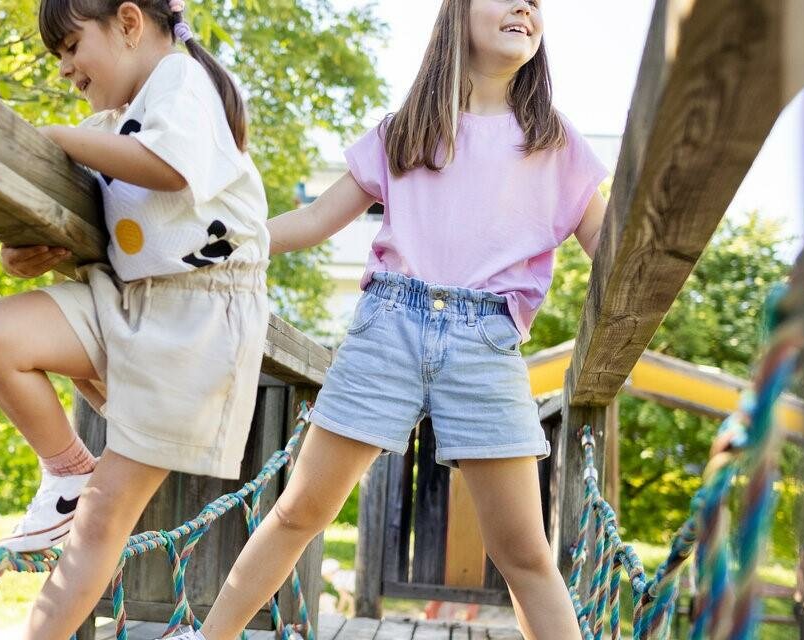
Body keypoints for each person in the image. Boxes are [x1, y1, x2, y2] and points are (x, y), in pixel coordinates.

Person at [175, 1, 608, 638]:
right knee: (299, 511)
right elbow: (319, 220)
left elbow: (612, 253)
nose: (525, 5)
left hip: (487, 344)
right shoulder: (405, 130)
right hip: (389, 328)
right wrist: (228, 240)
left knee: (525, 553)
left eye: (537, 1)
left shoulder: (557, 145)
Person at [0, 0, 271, 635]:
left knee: (105, 519)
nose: (66, 69)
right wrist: (23, 253)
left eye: (72, 47)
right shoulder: (112, 123)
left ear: (129, 23)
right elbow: (85, 218)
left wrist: (60, 138)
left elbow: (170, 168)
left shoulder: (182, 80)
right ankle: (68, 471)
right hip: (125, 302)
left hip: (200, 318)